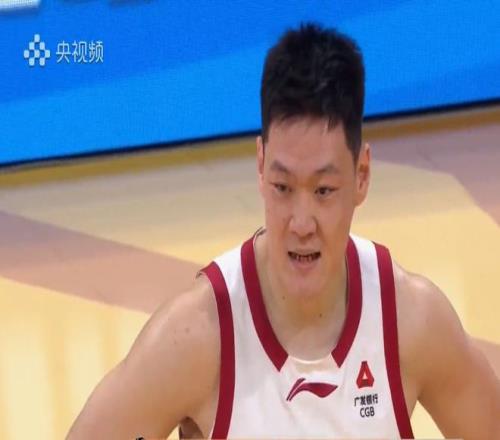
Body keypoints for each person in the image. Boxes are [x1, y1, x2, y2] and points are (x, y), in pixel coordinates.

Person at [67, 23, 500, 439]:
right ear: (260, 166)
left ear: (362, 175)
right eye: (283, 187)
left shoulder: (410, 322)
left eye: (324, 190)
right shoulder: (196, 339)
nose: (301, 223)